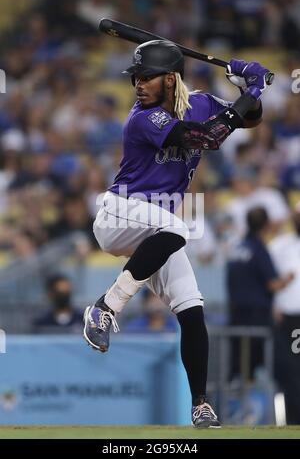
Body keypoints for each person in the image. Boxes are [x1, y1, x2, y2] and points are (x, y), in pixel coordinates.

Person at [83, 39, 271, 428]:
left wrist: (249, 90)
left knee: (192, 308)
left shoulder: (199, 102)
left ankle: (201, 403)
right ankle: (105, 308)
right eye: (136, 77)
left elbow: (250, 119)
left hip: (155, 231)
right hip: (119, 215)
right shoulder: (141, 117)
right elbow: (207, 139)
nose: (138, 83)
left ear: (171, 79)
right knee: (179, 227)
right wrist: (249, 90)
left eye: (147, 76)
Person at [226, 207, 294, 379]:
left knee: (238, 365)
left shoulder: (237, 249)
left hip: (236, 315)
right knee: (278, 364)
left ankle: (234, 401)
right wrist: (288, 279)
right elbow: (272, 284)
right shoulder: (259, 249)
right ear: (266, 225)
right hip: (257, 318)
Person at [269, 203, 300, 424]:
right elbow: (269, 280)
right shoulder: (280, 245)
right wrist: (275, 305)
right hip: (290, 318)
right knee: (292, 371)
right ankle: (293, 419)